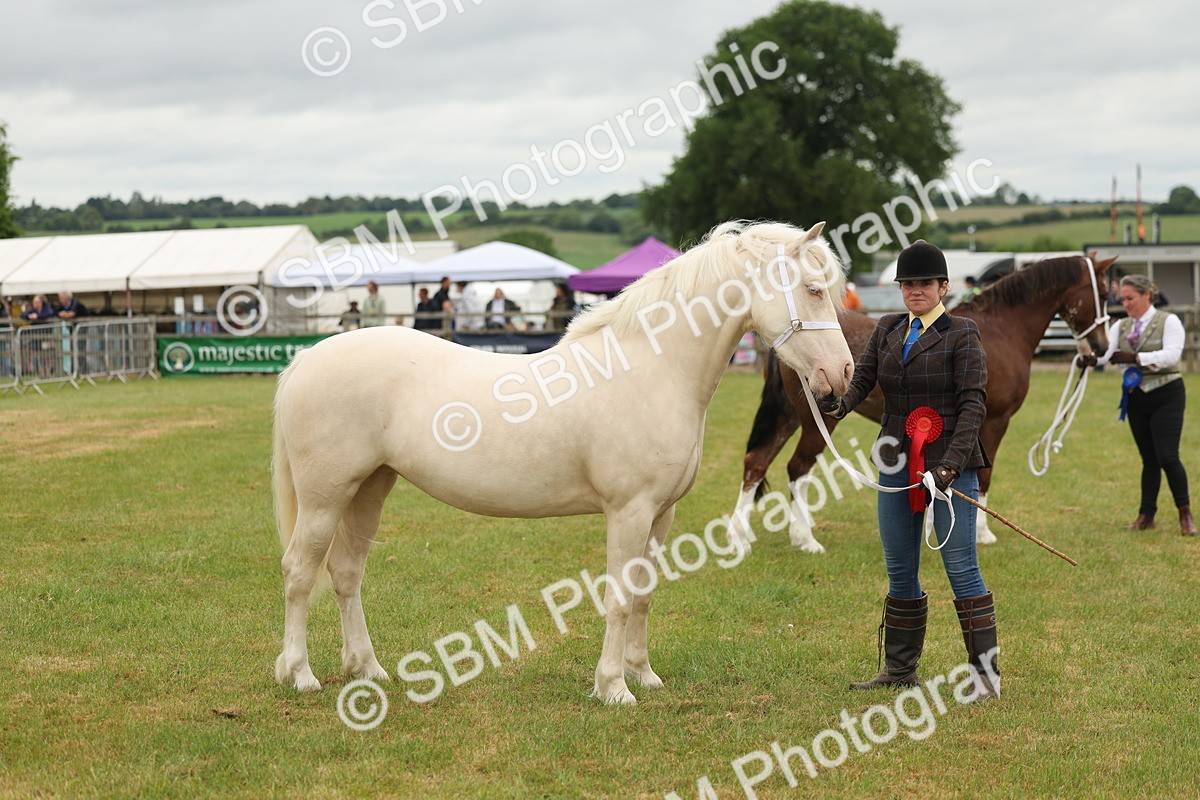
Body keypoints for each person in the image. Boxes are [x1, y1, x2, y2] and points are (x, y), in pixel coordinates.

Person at [819, 240, 999, 701]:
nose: (915, 291)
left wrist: (950, 467)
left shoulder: (963, 333)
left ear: (943, 286)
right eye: (908, 284)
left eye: (924, 283)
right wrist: (838, 405)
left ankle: (984, 676)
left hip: (950, 465)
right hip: (896, 460)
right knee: (900, 568)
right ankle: (900, 669)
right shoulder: (888, 329)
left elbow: (973, 404)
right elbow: (862, 380)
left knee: (961, 566)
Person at [1088, 275, 1194, 535]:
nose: (1124, 304)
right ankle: (1146, 515)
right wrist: (1090, 360)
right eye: (1121, 299)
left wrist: (1137, 357)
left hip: (1167, 393)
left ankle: (1185, 513)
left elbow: (1172, 355)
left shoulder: (1169, 321)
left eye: (1129, 298)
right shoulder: (1120, 326)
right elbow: (1107, 354)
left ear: (1147, 295)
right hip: (1136, 397)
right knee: (1148, 459)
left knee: (1168, 456)